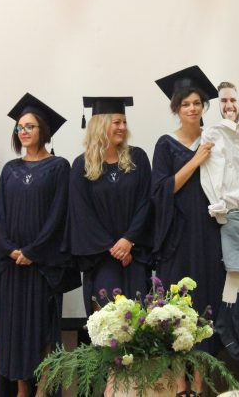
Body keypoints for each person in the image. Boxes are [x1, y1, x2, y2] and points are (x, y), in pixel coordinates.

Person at [0, 93, 73, 397]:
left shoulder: (59, 167)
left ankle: (42, 391)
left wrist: (33, 252)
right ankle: (22, 390)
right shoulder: (10, 169)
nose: (23, 131)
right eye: (20, 127)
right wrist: (10, 249)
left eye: (30, 126)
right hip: (13, 267)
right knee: (12, 331)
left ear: (43, 130)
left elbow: (58, 216)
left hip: (42, 268)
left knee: (41, 329)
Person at [152, 65, 225, 397]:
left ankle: (199, 385)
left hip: (211, 235)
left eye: (197, 103)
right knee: (179, 309)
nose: (192, 109)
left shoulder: (216, 138)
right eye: (185, 104)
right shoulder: (166, 145)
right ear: (176, 109)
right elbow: (162, 190)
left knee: (207, 306)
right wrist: (195, 160)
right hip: (178, 238)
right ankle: (180, 385)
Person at [68, 96, 152, 316]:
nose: (123, 127)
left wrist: (128, 240)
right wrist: (113, 248)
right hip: (101, 258)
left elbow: (146, 202)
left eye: (124, 122)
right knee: (108, 322)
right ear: (100, 125)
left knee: (138, 321)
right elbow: (82, 213)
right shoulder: (82, 165)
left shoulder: (138, 158)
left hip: (134, 254)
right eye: (117, 122)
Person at [200, 81, 239, 360]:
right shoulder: (212, 134)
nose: (229, 105)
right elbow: (208, 173)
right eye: (224, 100)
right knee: (236, 270)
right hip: (233, 212)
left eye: (233, 100)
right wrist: (219, 207)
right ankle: (228, 322)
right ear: (217, 105)